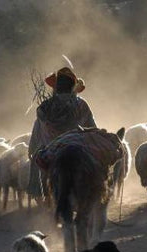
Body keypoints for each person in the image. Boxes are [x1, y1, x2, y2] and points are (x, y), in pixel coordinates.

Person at [27, 66, 97, 201]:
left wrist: (31, 152)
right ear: (72, 87)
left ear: (55, 88)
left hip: (50, 152)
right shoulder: (81, 105)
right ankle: (94, 194)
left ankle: (41, 194)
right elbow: (92, 128)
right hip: (77, 149)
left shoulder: (43, 107)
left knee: (36, 159)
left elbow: (37, 135)